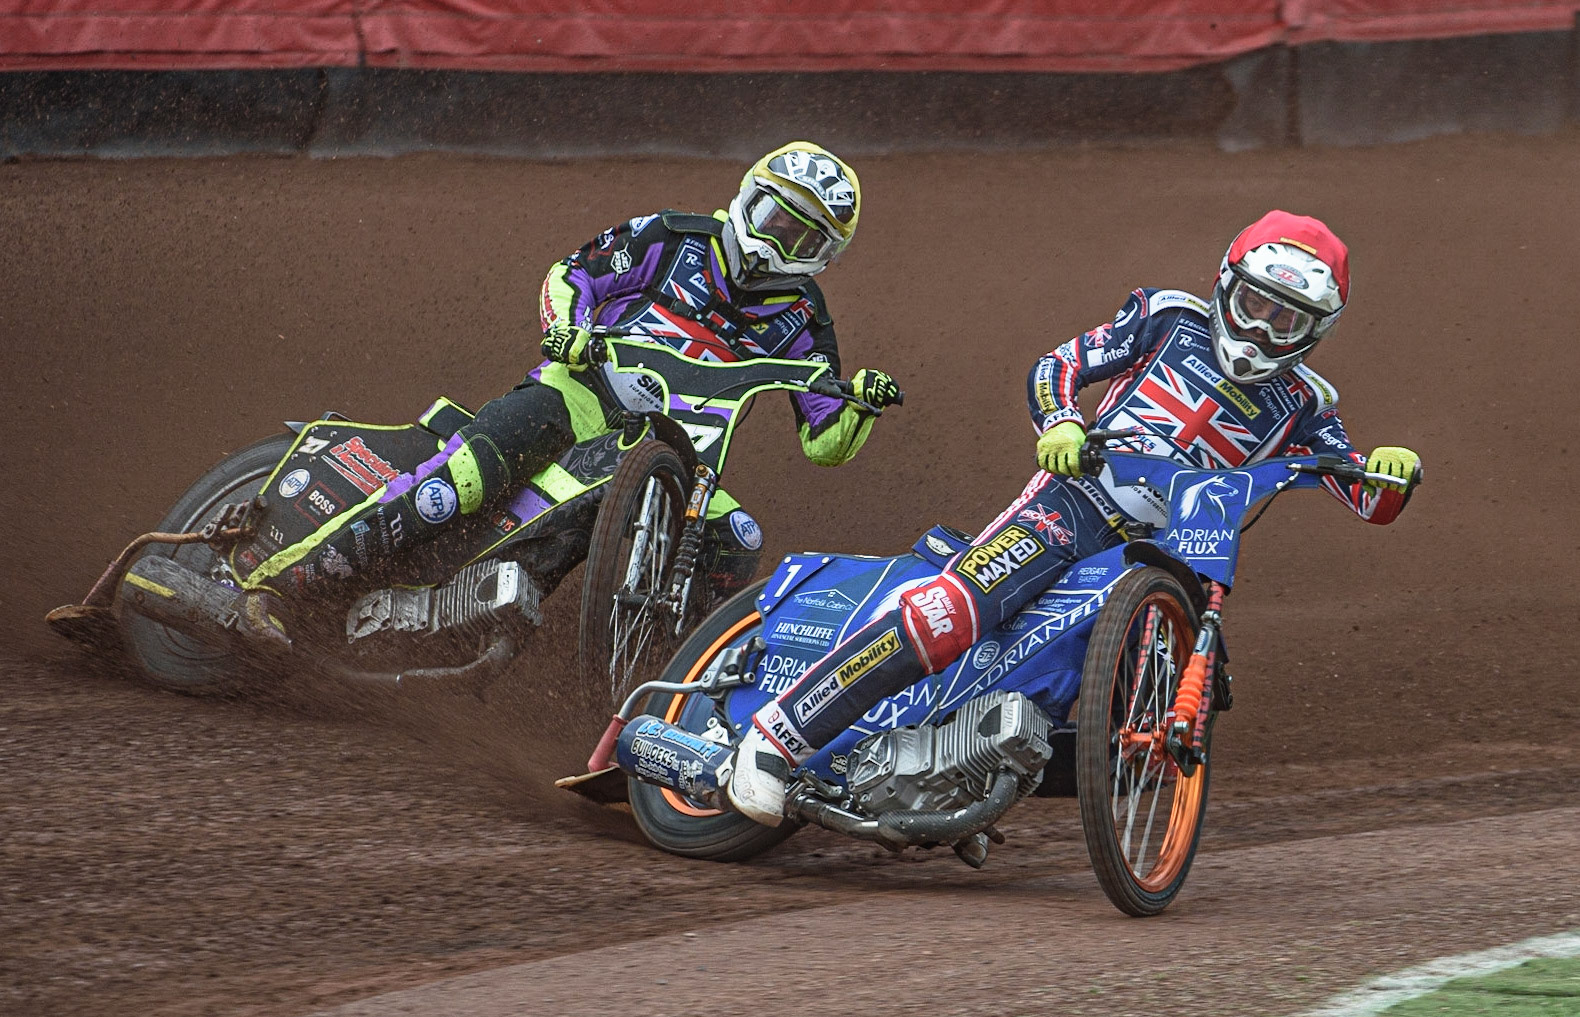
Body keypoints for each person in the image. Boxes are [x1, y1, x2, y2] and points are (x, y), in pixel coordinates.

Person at [724, 209, 1423, 826]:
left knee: (1182, 684)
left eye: (1287, 320)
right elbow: (1059, 364)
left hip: (1174, 553)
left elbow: (1365, 494)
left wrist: (1393, 472)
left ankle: (977, 768)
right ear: (1225, 285)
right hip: (1076, 504)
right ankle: (773, 738)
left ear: (1314, 333)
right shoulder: (1167, 318)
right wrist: (1060, 423)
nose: (1262, 329)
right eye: (1253, 305)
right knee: (956, 610)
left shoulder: (1306, 403)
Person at [239, 141, 901, 618]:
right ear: (746, 196)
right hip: (579, 395)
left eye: (801, 234)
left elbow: (824, 438)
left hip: (681, 459)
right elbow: (571, 274)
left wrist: (862, 406)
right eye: (772, 213)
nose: (776, 237)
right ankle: (277, 585)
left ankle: (670, 695)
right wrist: (567, 326)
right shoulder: (670, 237)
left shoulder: (807, 321)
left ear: (824, 256)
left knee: (740, 538)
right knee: (462, 479)